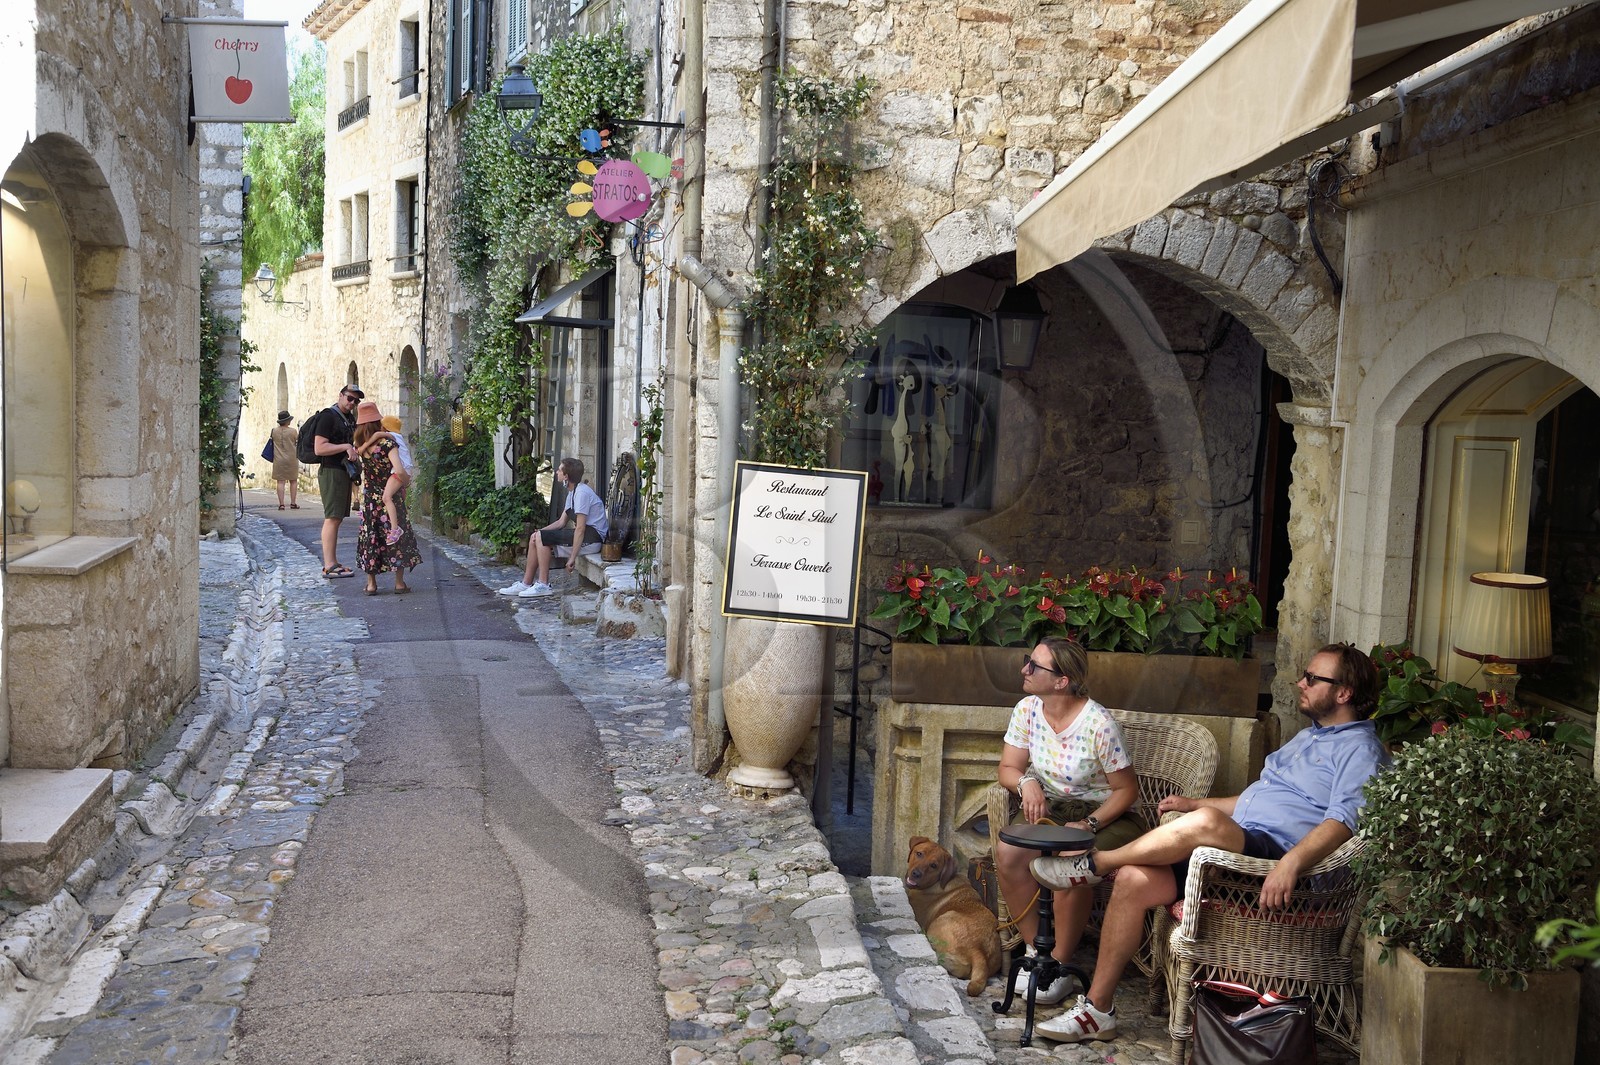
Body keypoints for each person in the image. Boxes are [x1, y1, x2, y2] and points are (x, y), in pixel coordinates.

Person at [1024, 642, 1390, 1044]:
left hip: (1278, 867)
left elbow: (1343, 822)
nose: (1299, 682)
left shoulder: (1361, 750)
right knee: (1132, 880)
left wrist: (1292, 864)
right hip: (1238, 852)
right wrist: (1196, 803)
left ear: (1344, 693)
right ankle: (1098, 1010)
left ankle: (1097, 863)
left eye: (1312, 678)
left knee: (1205, 825)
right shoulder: (1309, 738)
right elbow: (1256, 799)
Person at [996, 638, 1143, 1004]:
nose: (1024, 669)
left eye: (1034, 666)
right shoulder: (1028, 709)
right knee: (1008, 852)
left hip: (1105, 815)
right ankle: (1038, 953)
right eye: (1027, 660)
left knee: (1069, 864)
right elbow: (1008, 768)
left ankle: (1059, 965)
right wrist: (1026, 782)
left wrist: (1091, 824)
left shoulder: (1098, 724)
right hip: (1050, 809)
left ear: (1061, 681)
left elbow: (1127, 791)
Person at [497, 457, 608, 599]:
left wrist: (572, 558)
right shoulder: (573, 492)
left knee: (541, 538)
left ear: (566, 476)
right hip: (585, 534)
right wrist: (541, 531)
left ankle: (543, 584)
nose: (556, 472)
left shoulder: (582, 494)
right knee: (535, 537)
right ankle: (526, 583)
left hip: (593, 538)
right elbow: (561, 522)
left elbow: (580, 529)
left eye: (560, 470)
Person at [352, 400, 421, 594]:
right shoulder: (388, 444)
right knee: (395, 535)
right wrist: (406, 480)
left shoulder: (361, 447)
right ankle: (399, 583)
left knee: (371, 538)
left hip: (371, 500)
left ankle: (372, 584)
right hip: (391, 496)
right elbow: (398, 470)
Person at [305, 385, 363, 577]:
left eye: (356, 401)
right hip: (331, 471)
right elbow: (319, 448)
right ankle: (329, 565)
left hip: (342, 471)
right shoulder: (328, 416)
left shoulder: (348, 418)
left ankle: (333, 562)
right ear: (340, 395)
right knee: (332, 518)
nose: (352, 403)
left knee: (336, 518)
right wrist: (345, 446)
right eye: (349, 398)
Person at [355, 413, 414, 547]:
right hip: (402, 471)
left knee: (387, 497)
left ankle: (395, 529)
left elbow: (399, 470)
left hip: (400, 471)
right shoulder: (394, 438)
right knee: (388, 497)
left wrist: (366, 445)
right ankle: (394, 528)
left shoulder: (391, 439)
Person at [270, 410, 300, 510]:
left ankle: (281, 504)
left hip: (278, 459)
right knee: (293, 480)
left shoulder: (274, 431)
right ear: (288, 421)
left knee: (280, 482)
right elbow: (298, 442)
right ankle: (293, 502)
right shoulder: (293, 431)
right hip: (292, 458)